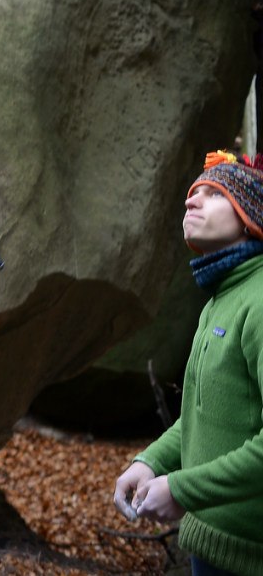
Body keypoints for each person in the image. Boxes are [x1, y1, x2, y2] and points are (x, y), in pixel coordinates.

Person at [111, 150, 263, 576]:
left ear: (250, 215)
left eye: (212, 193)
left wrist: (182, 489)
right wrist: (151, 461)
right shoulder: (220, 299)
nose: (190, 201)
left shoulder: (259, 299)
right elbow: (202, 414)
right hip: (209, 546)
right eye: (192, 193)